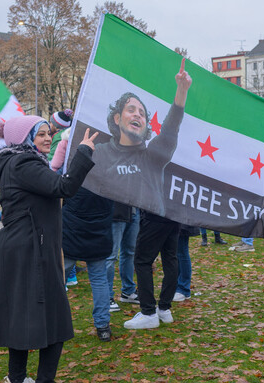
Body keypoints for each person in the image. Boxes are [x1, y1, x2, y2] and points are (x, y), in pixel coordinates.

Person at [0, 115, 97, 383]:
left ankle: (17, 378)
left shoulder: (15, 161)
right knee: (54, 321)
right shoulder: (23, 162)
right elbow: (65, 187)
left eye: (49, 133)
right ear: (25, 139)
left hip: (26, 247)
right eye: (41, 134)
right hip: (29, 250)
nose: (49, 138)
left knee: (22, 319)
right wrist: (82, 153)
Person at [123, 58, 192, 330]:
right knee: (170, 258)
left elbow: (172, 124)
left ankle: (149, 311)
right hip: (170, 212)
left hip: (156, 213)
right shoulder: (134, 151)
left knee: (142, 260)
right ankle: (163, 308)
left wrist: (182, 91)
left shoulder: (154, 151)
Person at [83, 59, 190, 217]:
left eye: (142, 113)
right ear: (117, 119)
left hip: (148, 229)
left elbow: (170, 128)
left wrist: (182, 91)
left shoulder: (153, 156)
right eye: (131, 110)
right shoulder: (99, 153)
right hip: (111, 224)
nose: (137, 115)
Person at [61, 187, 114, 341]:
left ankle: (54, 322)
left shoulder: (75, 175)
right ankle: (103, 326)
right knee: (99, 279)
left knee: (59, 279)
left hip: (73, 233)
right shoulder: (107, 179)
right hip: (96, 232)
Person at [108, 202, 140, 308]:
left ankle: (128, 291)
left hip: (134, 210)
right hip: (116, 211)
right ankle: (106, 297)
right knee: (111, 255)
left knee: (130, 252)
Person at [174, 225, 199, 302]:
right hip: (176, 223)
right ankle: (178, 286)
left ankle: (183, 289)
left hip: (183, 224)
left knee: (182, 253)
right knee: (177, 253)